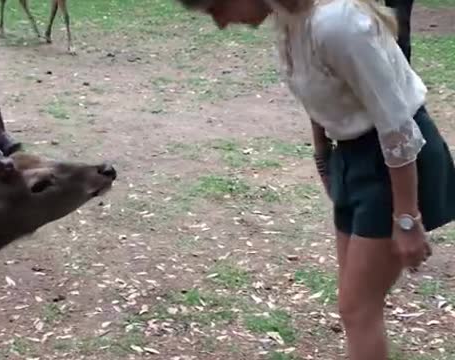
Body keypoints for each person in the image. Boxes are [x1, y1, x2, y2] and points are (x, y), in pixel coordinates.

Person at [174, 0, 455, 359]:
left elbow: (398, 125)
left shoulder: (336, 23)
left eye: (217, 8)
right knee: (355, 305)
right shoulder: (291, 20)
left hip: (394, 161)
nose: (220, 23)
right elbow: (316, 92)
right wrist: (324, 158)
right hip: (353, 157)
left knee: (358, 309)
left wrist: (407, 217)